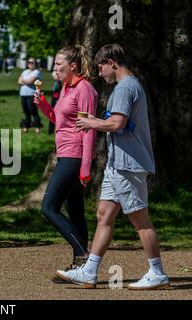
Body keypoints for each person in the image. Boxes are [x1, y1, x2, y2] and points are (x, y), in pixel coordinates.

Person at [58, 44, 170, 290]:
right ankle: (89, 271)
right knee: (104, 215)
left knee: (140, 220)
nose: (100, 73)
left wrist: (92, 122)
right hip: (117, 164)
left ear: (112, 62)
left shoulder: (125, 88)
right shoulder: (129, 86)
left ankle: (157, 272)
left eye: (101, 68)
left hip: (127, 165)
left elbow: (118, 123)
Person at [33, 45, 97, 273]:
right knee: (76, 211)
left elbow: (88, 129)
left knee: (49, 207)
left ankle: (83, 254)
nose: (55, 69)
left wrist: (86, 167)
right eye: (55, 65)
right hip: (65, 154)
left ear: (73, 66)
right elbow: (60, 121)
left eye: (59, 65)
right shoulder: (66, 88)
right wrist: (42, 105)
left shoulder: (84, 89)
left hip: (75, 157)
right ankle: (81, 267)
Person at [18, 58, 42, 133]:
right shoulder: (25, 71)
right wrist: (26, 81)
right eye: (29, 62)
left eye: (32, 62)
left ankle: (37, 126)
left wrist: (24, 81)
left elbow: (30, 81)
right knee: (26, 112)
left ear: (35, 64)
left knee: (33, 111)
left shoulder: (37, 72)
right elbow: (19, 81)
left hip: (31, 94)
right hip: (23, 94)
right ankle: (26, 127)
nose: (30, 64)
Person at [48, 71, 62, 135]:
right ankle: (50, 131)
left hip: (60, 97)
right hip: (55, 97)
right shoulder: (57, 82)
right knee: (52, 114)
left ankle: (59, 130)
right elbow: (54, 75)